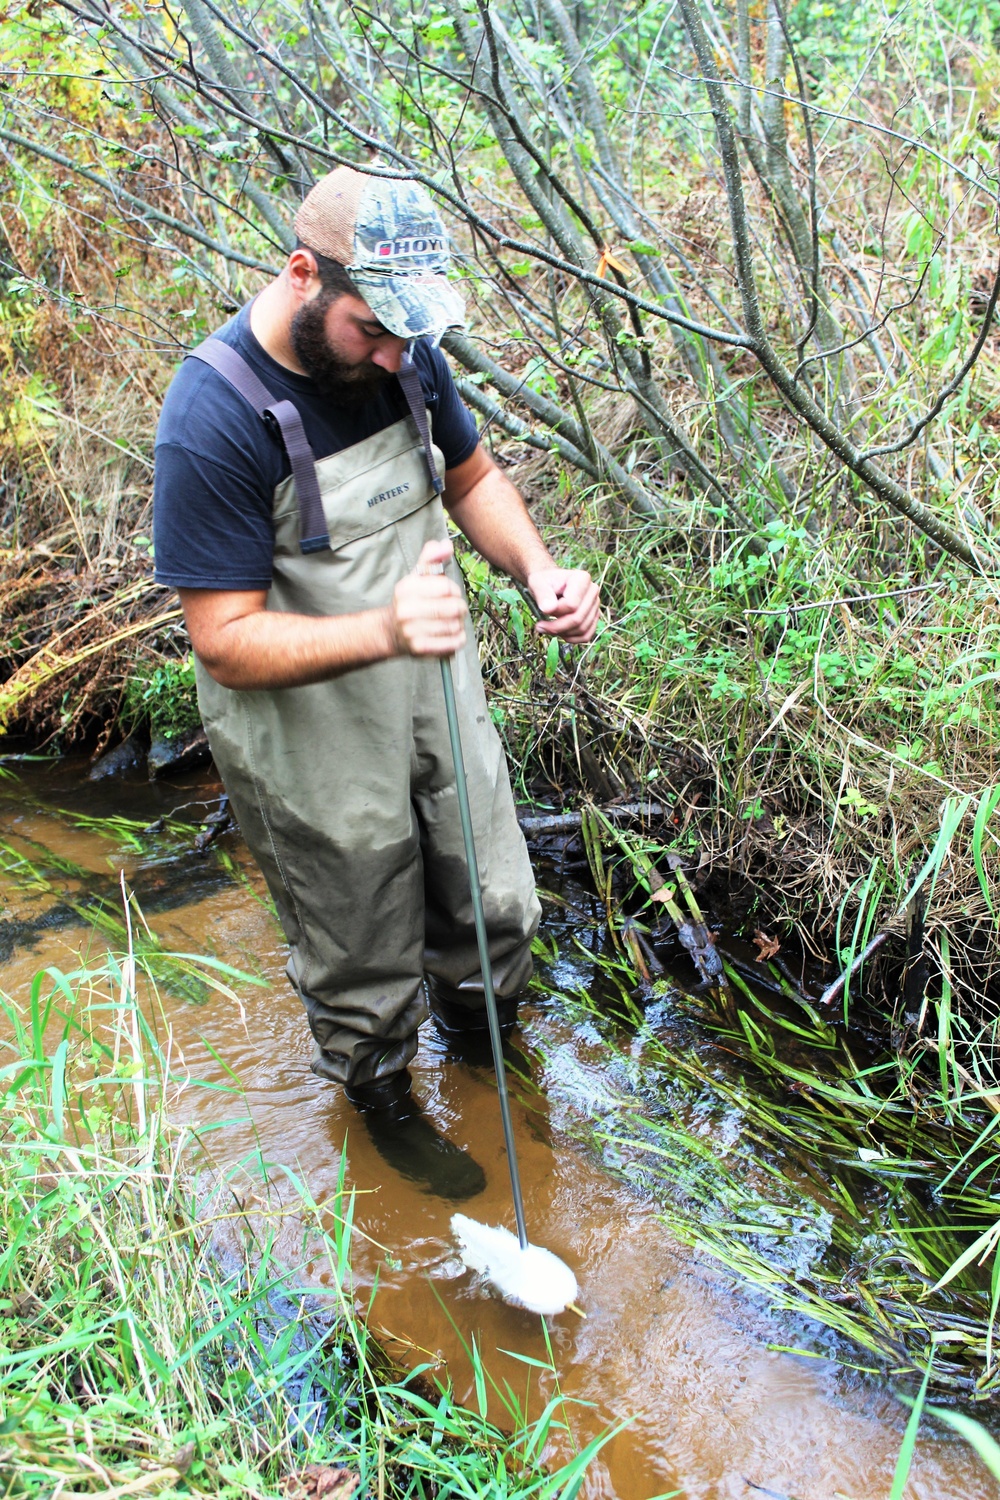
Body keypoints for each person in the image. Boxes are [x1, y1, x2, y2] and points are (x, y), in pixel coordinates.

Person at [153, 166, 600, 1194]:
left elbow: (471, 475)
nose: (400, 354)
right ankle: (385, 1099)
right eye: (373, 330)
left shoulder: (406, 352)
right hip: (307, 729)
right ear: (303, 274)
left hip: (431, 686)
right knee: (360, 937)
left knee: (490, 895)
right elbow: (222, 640)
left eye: (411, 332)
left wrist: (538, 575)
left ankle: (488, 1057)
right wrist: (387, 625)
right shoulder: (213, 416)